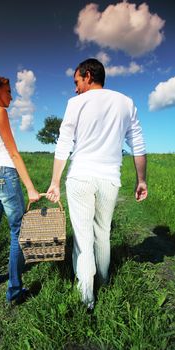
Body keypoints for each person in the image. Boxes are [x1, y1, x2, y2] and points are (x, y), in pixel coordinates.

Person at [46, 58, 148, 310]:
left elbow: (64, 144)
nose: (75, 88)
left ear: (88, 76)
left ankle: (86, 298)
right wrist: (141, 179)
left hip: (80, 177)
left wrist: (55, 182)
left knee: (83, 238)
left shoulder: (75, 103)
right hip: (109, 179)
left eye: (77, 81)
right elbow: (138, 144)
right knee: (102, 234)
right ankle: (103, 282)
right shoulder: (126, 103)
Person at [0, 74, 40, 305]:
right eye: (9, 91)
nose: (12, 95)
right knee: (18, 230)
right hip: (6, 172)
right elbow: (13, 153)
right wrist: (30, 187)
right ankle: (14, 291)